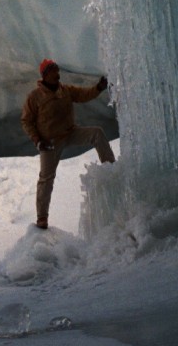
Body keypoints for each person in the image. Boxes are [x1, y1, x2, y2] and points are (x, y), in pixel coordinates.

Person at [21, 59, 115, 230]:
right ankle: (42, 218)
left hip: (70, 133)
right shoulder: (34, 97)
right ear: (45, 75)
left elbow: (84, 95)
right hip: (50, 142)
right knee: (46, 178)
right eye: (53, 72)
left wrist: (99, 88)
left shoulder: (65, 90)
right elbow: (26, 121)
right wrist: (38, 140)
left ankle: (111, 170)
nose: (57, 74)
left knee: (97, 133)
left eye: (57, 71)